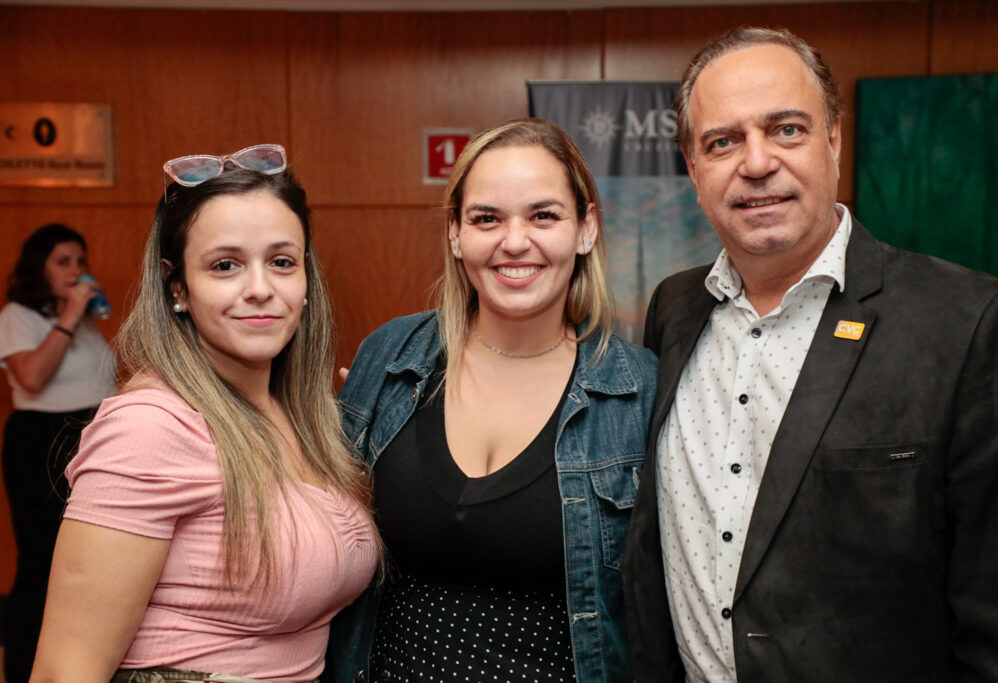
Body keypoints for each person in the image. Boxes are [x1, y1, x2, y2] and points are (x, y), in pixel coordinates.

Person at [622, 26, 998, 681]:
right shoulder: (676, 309)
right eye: (722, 142)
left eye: (785, 129)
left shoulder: (971, 323)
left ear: (833, 139)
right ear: (694, 170)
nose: (756, 163)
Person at [30, 145, 380, 683]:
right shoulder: (150, 427)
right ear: (178, 288)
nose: (260, 288)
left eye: (282, 262)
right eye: (225, 265)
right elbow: (64, 670)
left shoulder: (307, 419)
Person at [325, 118, 657, 682]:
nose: (514, 241)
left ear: (586, 228)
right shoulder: (390, 356)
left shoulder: (637, 391)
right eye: (486, 218)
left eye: (543, 215)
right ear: (456, 233)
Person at [0, 223, 115, 683]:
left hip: (87, 437)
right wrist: (68, 316)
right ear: (39, 269)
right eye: (63, 262)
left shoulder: (82, 318)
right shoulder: (18, 315)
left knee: (85, 562)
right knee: (43, 561)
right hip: (41, 440)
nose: (76, 270)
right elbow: (30, 378)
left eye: (80, 261)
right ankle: (27, 670)